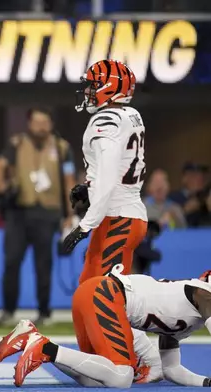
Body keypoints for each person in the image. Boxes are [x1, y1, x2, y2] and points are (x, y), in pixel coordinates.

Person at [62, 59, 161, 382]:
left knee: (103, 298)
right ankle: (96, 360)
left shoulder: (106, 121)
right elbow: (115, 173)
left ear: (107, 88)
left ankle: (127, 363)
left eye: (92, 85)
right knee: (85, 294)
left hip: (118, 219)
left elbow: (106, 178)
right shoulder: (129, 114)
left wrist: (84, 225)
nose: (88, 91)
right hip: (120, 214)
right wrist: (89, 189)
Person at [0, 264, 211, 388]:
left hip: (97, 294)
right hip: (107, 295)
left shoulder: (192, 308)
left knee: (95, 379)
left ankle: (34, 339)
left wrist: (206, 382)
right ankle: (44, 348)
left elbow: (171, 370)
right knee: (122, 377)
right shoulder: (204, 295)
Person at [0, 107, 76, 326]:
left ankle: (45, 312)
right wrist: (1, 186)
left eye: (45, 122)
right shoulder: (17, 144)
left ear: (51, 124)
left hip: (47, 212)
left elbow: (69, 181)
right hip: (19, 211)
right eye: (37, 122)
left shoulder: (62, 147)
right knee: (11, 262)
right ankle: (8, 311)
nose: (41, 126)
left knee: (43, 264)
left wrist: (70, 213)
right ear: (29, 124)